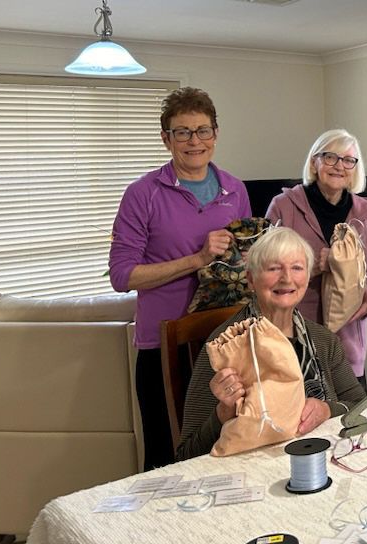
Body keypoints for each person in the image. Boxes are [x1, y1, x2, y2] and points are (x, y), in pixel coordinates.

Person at [109, 87, 250, 470]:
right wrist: (198, 259)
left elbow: (243, 259)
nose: (194, 141)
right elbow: (122, 275)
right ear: (166, 138)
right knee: (166, 456)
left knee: (228, 447)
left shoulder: (234, 189)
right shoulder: (142, 194)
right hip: (163, 347)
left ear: (215, 134)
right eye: (182, 132)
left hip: (224, 341)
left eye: (202, 130)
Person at [176, 227, 366, 460]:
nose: (286, 278)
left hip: (317, 459)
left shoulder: (324, 340)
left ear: (307, 278)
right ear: (251, 279)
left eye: (297, 268)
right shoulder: (224, 346)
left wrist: (327, 409)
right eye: (274, 268)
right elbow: (187, 453)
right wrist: (223, 412)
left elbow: (360, 404)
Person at [266, 129, 367, 388]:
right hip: (294, 347)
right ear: (315, 162)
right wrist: (313, 267)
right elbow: (265, 273)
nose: (339, 166)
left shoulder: (365, 212)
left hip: (349, 350)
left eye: (348, 160)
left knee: (353, 413)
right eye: (330, 157)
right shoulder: (283, 206)